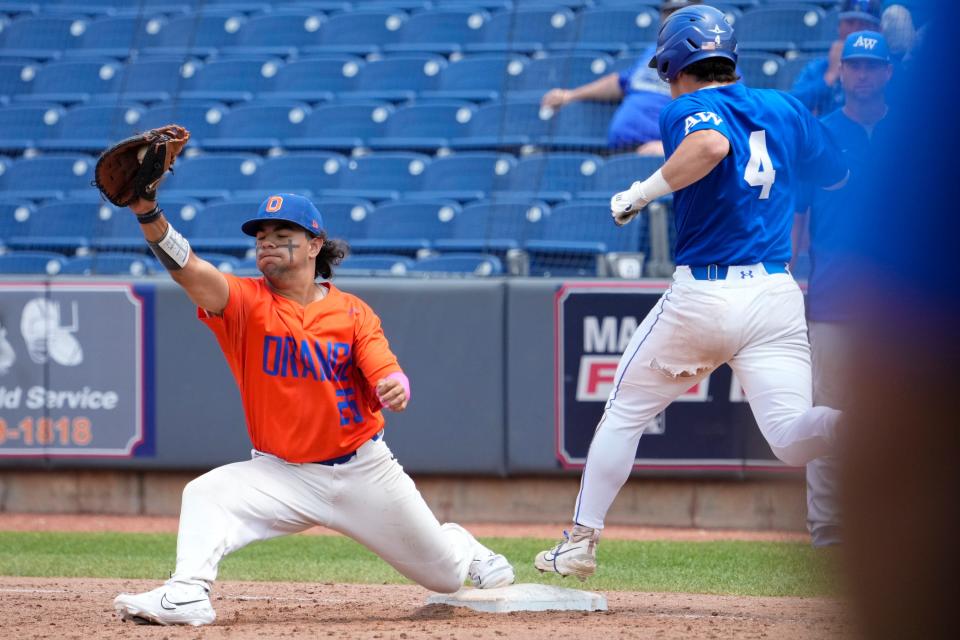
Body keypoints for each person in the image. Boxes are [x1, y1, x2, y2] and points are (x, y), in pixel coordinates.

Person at [534, 4, 848, 579]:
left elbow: (709, 149)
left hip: (706, 292)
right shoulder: (785, 107)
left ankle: (580, 542)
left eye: (667, 67)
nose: (666, 79)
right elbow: (837, 174)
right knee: (790, 438)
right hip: (776, 291)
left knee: (625, 411)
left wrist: (639, 192)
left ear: (679, 61)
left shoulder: (691, 105)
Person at [112, 192, 515, 626]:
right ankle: (187, 592)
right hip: (282, 474)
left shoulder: (353, 313)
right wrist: (148, 213)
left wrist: (393, 386)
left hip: (364, 471)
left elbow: (387, 371)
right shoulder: (244, 303)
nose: (266, 243)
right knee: (206, 493)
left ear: (314, 245)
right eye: (261, 236)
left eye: (282, 234)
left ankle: (460, 544)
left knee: (445, 576)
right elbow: (188, 269)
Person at [793, 30, 893, 548]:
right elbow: (797, 222)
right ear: (842, 72)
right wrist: (785, 285)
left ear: (887, 73)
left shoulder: (912, 136)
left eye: (872, 66)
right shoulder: (821, 136)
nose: (862, 74)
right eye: (854, 65)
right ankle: (829, 528)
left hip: (903, 307)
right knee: (829, 417)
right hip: (832, 301)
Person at [540, 0, 704, 156]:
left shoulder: (707, 60)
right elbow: (620, 82)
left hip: (662, 155)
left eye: (682, 15)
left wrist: (672, 148)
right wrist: (570, 95)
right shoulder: (654, 52)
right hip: (622, 152)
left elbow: (717, 115)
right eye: (669, 14)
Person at [791, 0, 883, 115]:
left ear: (878, 30)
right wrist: (830, 76)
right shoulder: (818, 68)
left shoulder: (884, 69)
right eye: (850, 23)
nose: (854, 31)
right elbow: (791, 110)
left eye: (863, 24)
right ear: (839, 27)